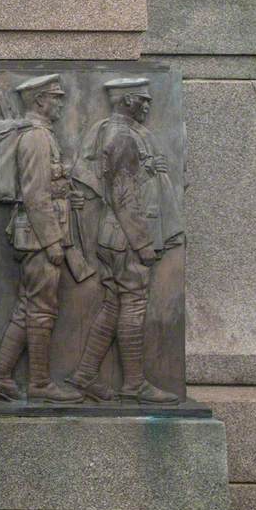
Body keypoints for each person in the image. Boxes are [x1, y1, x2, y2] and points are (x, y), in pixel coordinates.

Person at [66, 78, 184, 404]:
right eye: (142, 100)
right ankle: (133, 383)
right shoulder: (121, 137)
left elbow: (129, 182)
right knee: (133, 304)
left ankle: (85, 374)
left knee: (113, 305)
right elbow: (123, 195)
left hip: (115, 237)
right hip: (126, 239)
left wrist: (152, 171)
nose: (148, 106)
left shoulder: (121, 134)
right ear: (126, 100)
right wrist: (143, 243)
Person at [0, 74, 84, 404]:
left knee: (28, 308)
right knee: (42, 309)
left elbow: (47, 188)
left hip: (37, 234)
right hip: (39, 238)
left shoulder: (41, 135)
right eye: (56, 98)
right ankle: (39, 383)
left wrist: (67, 195)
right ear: (39, 101)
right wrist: (53, 241)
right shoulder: (37, 138)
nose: (61, 104)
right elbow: (35, 194)